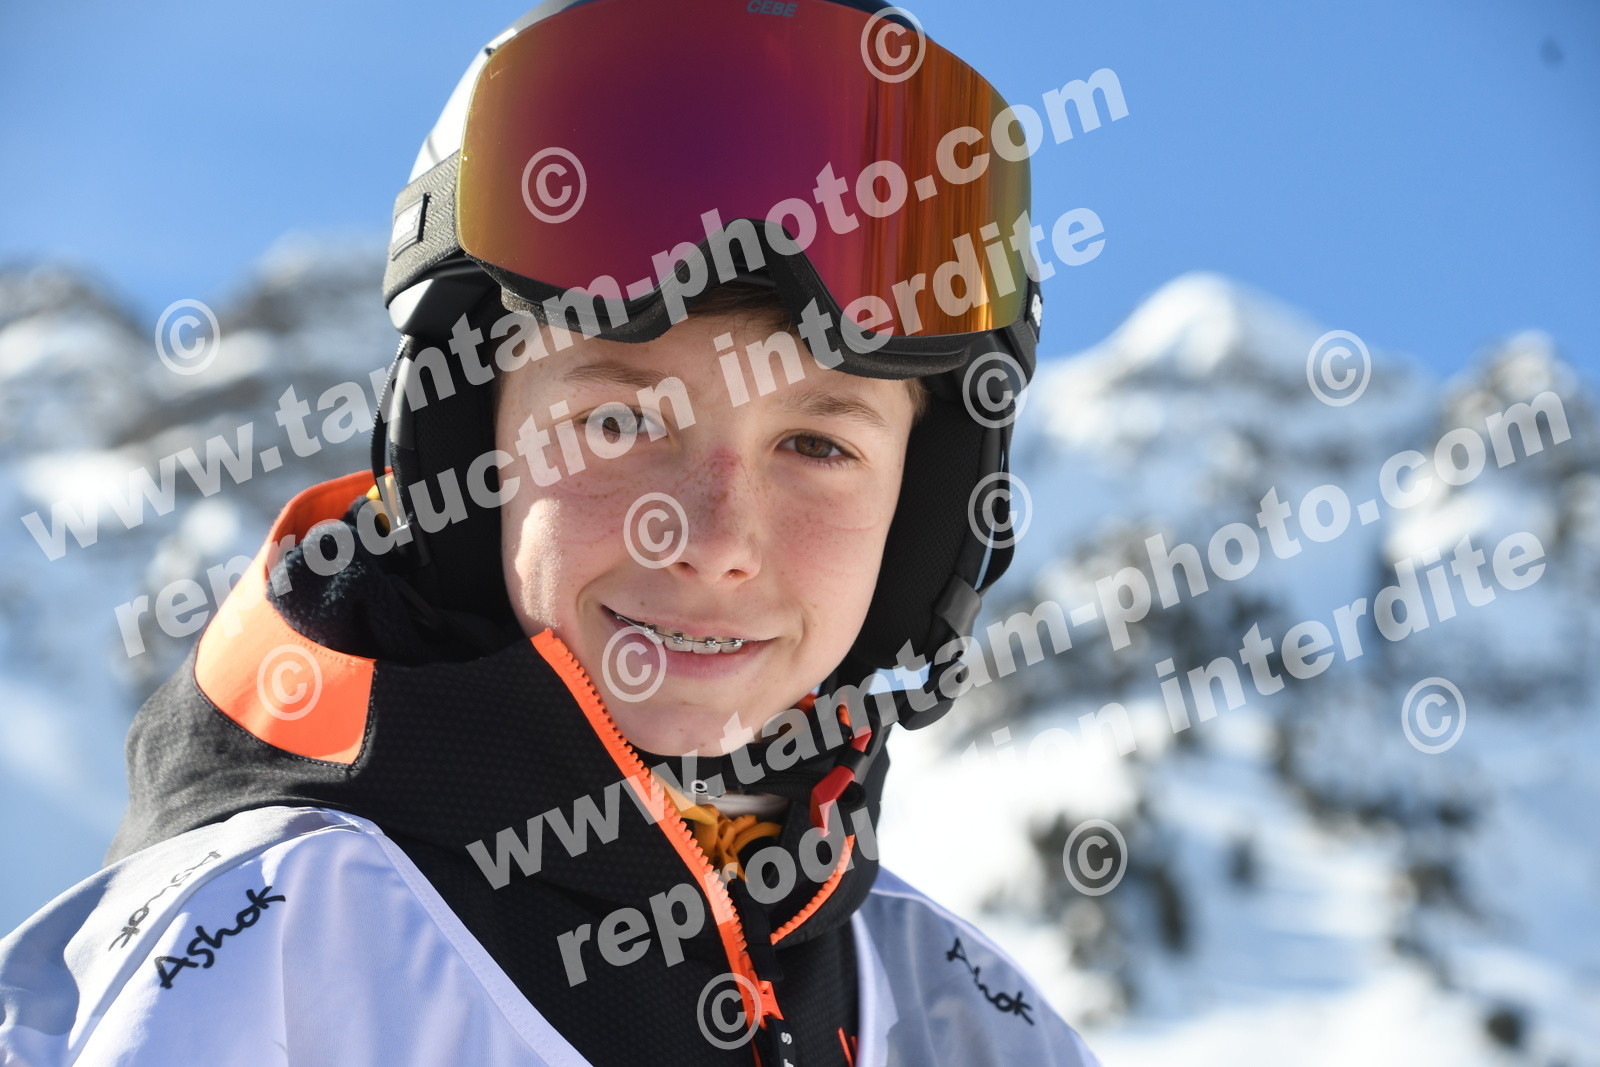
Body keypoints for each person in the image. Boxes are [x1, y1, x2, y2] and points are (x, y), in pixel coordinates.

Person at [0, 1, 1101, 1064]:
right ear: (460, 455)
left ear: (924, 510)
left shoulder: (962, 1013)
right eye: (617, 422)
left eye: (816, 445)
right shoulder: (258, 957)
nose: (716, 539)